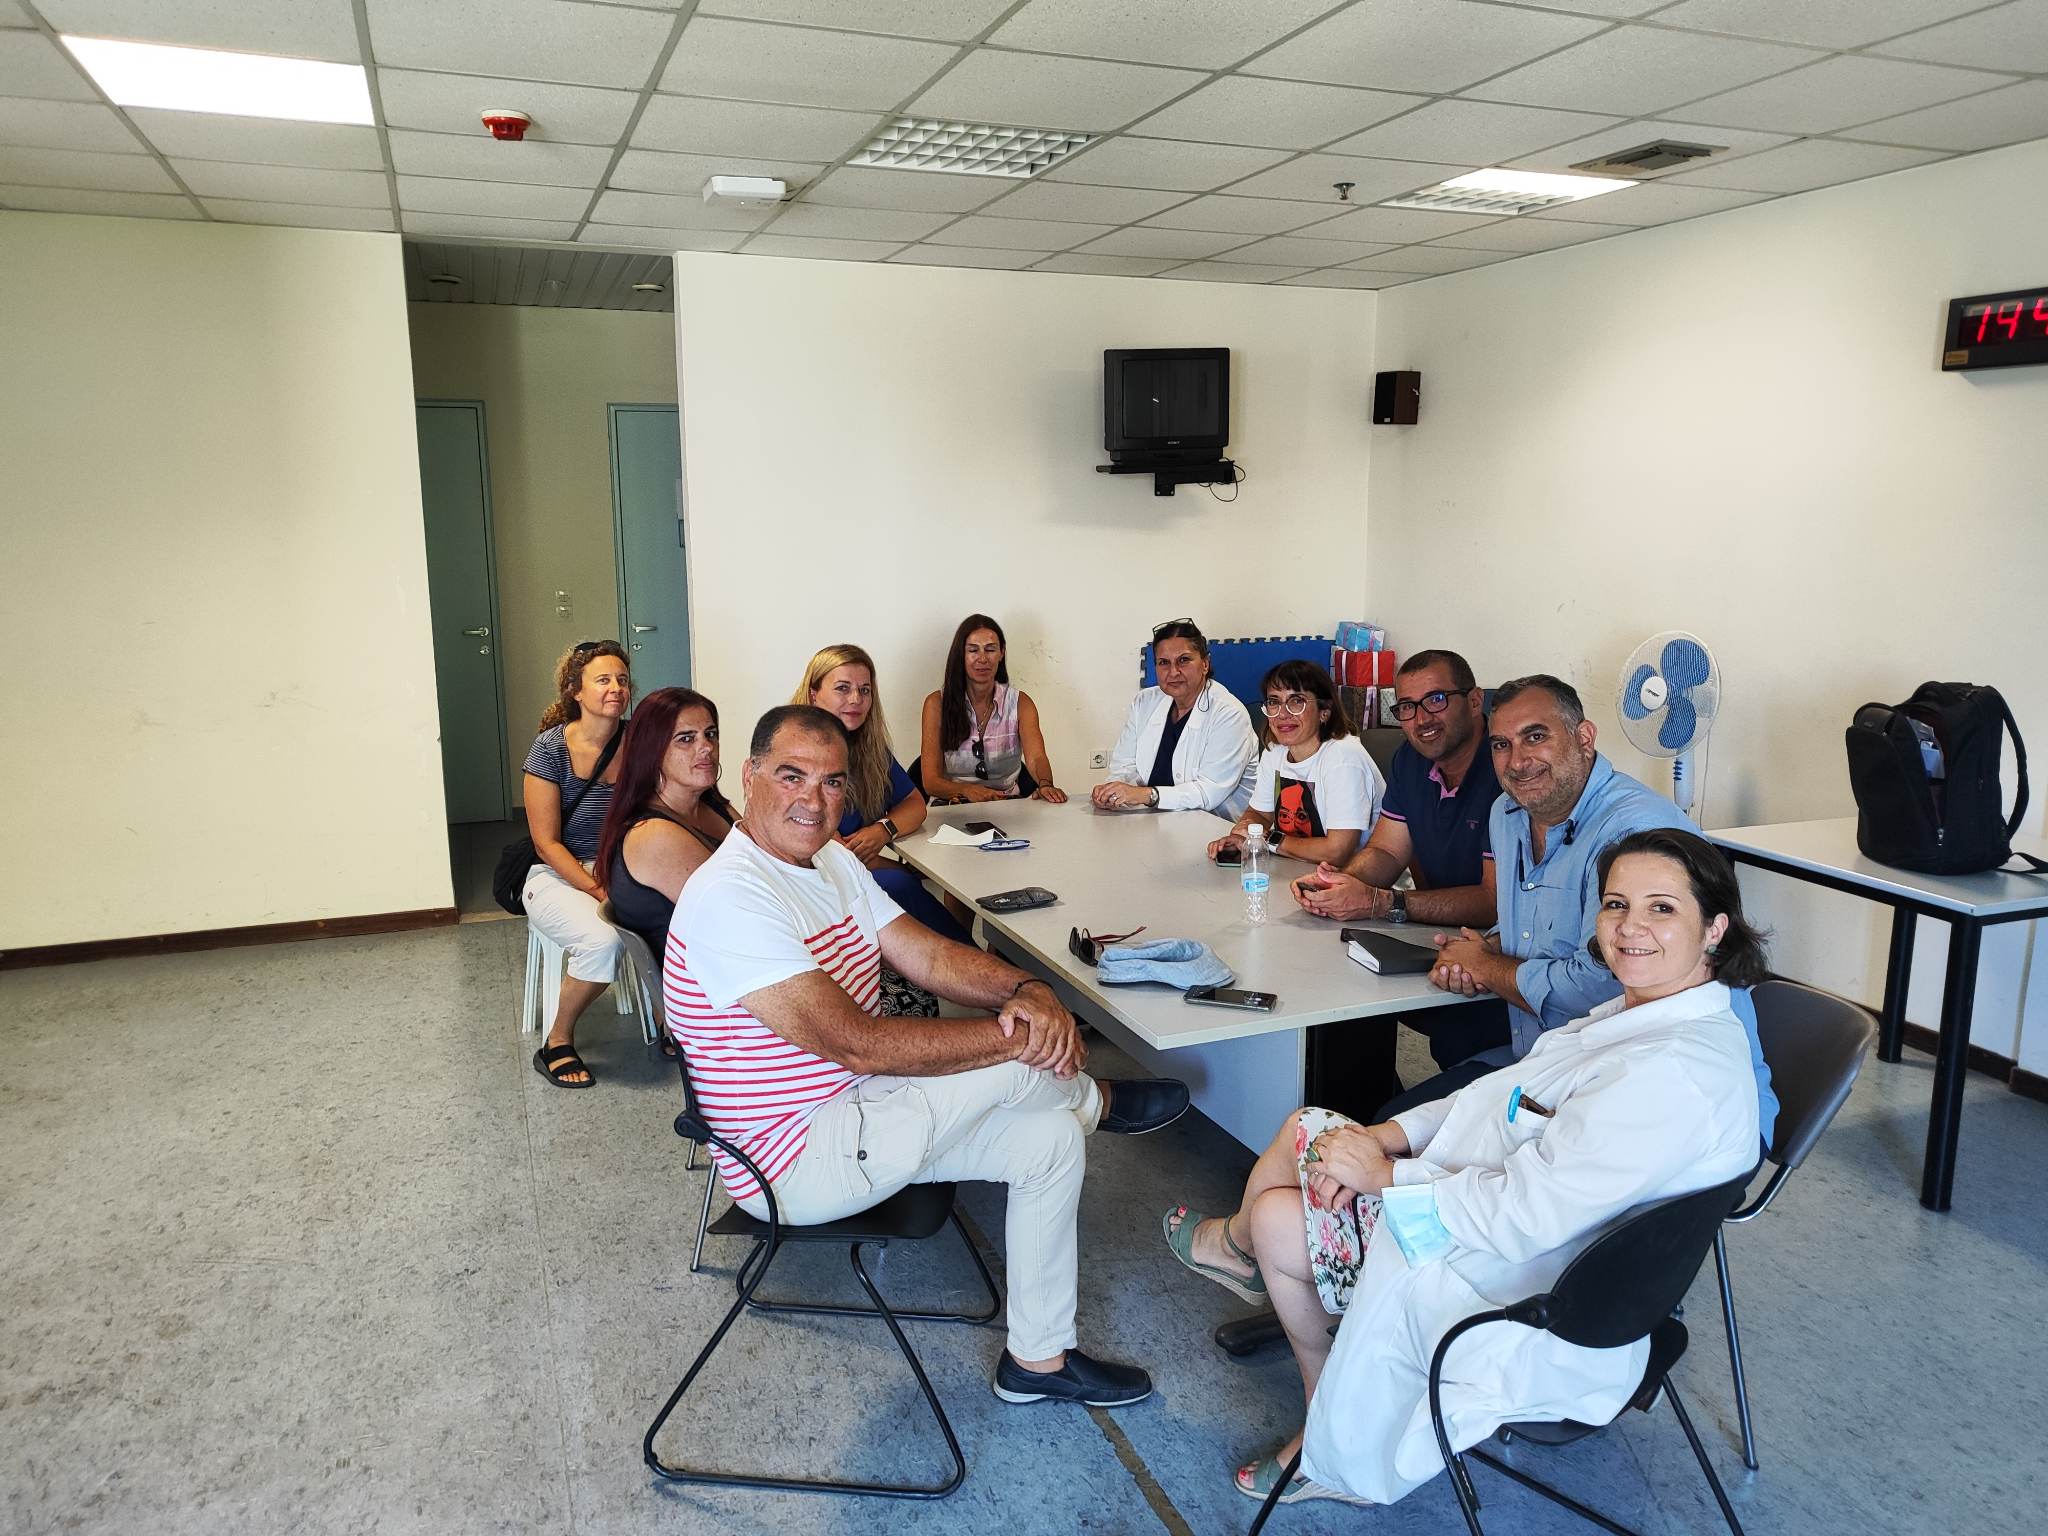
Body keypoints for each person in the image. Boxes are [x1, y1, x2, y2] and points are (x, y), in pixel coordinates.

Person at [1162, 829, 1767, 1508]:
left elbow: (1524, 1217)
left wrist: (1384, 1177)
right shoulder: (1648, 1017)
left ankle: (1325, 1420)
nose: (1630, 927)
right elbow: (1499, 1095)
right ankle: (1256, 1276)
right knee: (1310, 1130)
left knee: (1280, 1217)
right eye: (1616, 904)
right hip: (1514, 1238)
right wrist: (1387, 1136)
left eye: (1662, 909)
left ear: (1715, 928)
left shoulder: (1669, 1076)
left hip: (1527, 1297)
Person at [670, 705, 1188, 1407]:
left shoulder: (827, 860)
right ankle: (1099, 1100)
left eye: (831, 782)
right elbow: (858, 1043)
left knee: (1050, 1141)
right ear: (750, 776)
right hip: (790, 1160)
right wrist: (1025, 1029)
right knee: (1018, 1060)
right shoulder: (732, 896)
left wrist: (1026, 988)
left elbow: (927, 955)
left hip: (855, 1108)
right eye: (791, 776)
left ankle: (1037, 1362)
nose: (812, 800)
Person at [1390, 674, 1775, 1142]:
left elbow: (1607, 984)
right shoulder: (1506, 815)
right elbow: (1533, 927)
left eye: (1536, 736)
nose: (1518, 761)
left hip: (1654, 1095)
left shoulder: (1632, 833)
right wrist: (1482, 950)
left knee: (1404, 1146)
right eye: (1501, 745)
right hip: (1553, 1061)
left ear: (1585, 738)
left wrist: (1486, 967)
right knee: (1394, 1121)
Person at [1290, 649, 1508, 1084]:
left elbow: (1492, 902)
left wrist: (1383, 902)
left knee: (1454, 1037)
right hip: (1433, 937)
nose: (1421, 719)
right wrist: (1340, 884)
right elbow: (1388, 852)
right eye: (1407, 707)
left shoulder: (1505, 769)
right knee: (1341, 981)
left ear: (1474, 701)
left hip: (1497, 955)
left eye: (1436, 700)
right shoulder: (1410, 760)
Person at [793, 643, 969, 945]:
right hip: (812, 883)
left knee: (910, 887)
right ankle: (974, 960)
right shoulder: (795, 751)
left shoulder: (868, 748)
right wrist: (894, 867)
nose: (856, 699)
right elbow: (836, 857)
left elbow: (914, 804)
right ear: (813, 694)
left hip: (855, 871)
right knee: (901, 885)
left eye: (864, 690)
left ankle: (973, 958)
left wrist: (883, 829)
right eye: (842, 688)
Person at [522, 640, 631, 1090]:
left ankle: (674, 1025)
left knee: (682, 923)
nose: (616, 688)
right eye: (603, 680)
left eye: (622, 679)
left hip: (624, 869)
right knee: (603, 942)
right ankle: (557, 1040)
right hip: (558, 875)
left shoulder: (640, 742)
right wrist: (596, 888)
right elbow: (546, 843)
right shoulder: (550, 749)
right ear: (576, 691)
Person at [593, 686, 733, 958]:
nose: (706, 747)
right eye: (686, 739)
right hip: (704, 974)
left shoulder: (710, 802)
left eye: (710, 734)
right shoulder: (653, 835)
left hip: (730, 953)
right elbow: (734, 914)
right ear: (652, 750)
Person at [1207, 660, 1384, 869]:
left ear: (1324, 711)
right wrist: (1241, 837)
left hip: (1364, 879)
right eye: (1274, 702)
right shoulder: (1275, 751)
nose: (1282, 714)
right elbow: (1260, 814)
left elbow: (1337, 852)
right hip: (1301, 869)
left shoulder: (1344, 758)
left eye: (1296, 701)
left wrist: (1268, 839)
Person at [1090, 618, 1259, 819]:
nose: (1173, 672)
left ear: (1205, 664)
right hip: (1154, 819)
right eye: (1163, 663)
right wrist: (1114, 791)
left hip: (1218, 826)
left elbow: (1209, 792)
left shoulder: (1229, 714)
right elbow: (1124, 765)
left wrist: (1146, 795)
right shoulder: (1144, 702)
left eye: (1184, 660)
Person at [920, 614, 1066, 805]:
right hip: (953, 804)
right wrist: (967, 790)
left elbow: (1036, 758)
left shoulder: (1020, 703)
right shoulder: (936, 704)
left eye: (990, 649)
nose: (982, 658)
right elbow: (930, 782)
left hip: (1006, 803)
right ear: (961, 655)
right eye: (973, 650)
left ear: (1001, 653)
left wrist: (1045, 784)